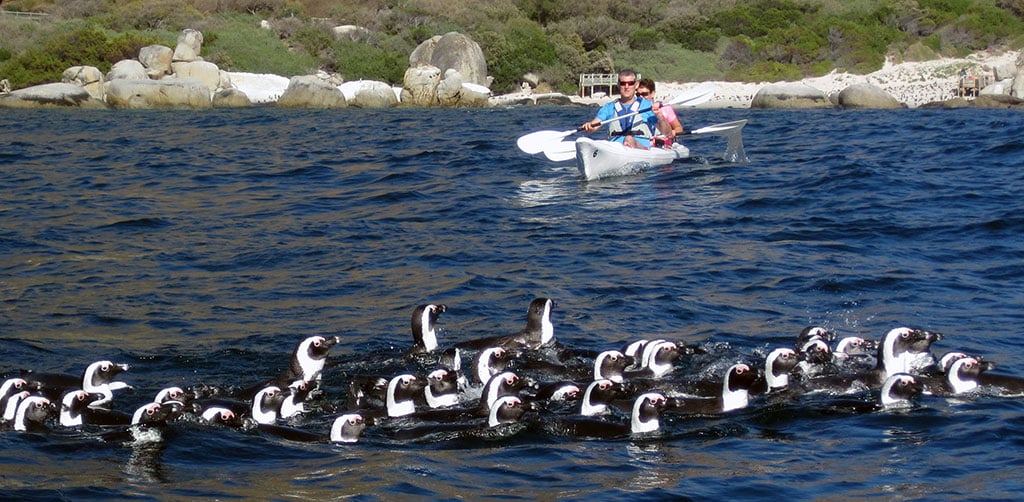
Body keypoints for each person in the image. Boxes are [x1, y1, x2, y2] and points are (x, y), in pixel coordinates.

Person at [580, 69, 658, 149]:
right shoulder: (609, 107)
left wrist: (660, 116)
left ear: (636, 85)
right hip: (617, 148)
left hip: (640, 148)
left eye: (630, 83)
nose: (626, 87)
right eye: (623, 83)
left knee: (629, 139)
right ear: (618, 85)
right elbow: (595, 125)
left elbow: (666, 131)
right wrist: (589, 126)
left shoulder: (647, 105)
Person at [636, 78, 684, 147]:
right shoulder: (635, 110)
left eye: (644, 94)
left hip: (663, 143)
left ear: (653, 93)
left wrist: (673, 132)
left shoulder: (665, 109)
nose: (641, 97)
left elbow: (679, 128)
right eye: (638, 95)